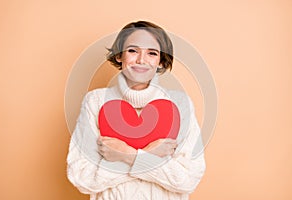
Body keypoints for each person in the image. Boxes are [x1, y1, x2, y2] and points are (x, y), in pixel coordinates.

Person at [67, 21, 206, 200]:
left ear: (161, 61)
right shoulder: (95, 101)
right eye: (133, 50)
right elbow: (82, 177)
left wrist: (127, 155)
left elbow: (188, 179)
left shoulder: (180, 104)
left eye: (152, 53)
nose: (141, 60)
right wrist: (150, 155)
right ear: (119, 56)